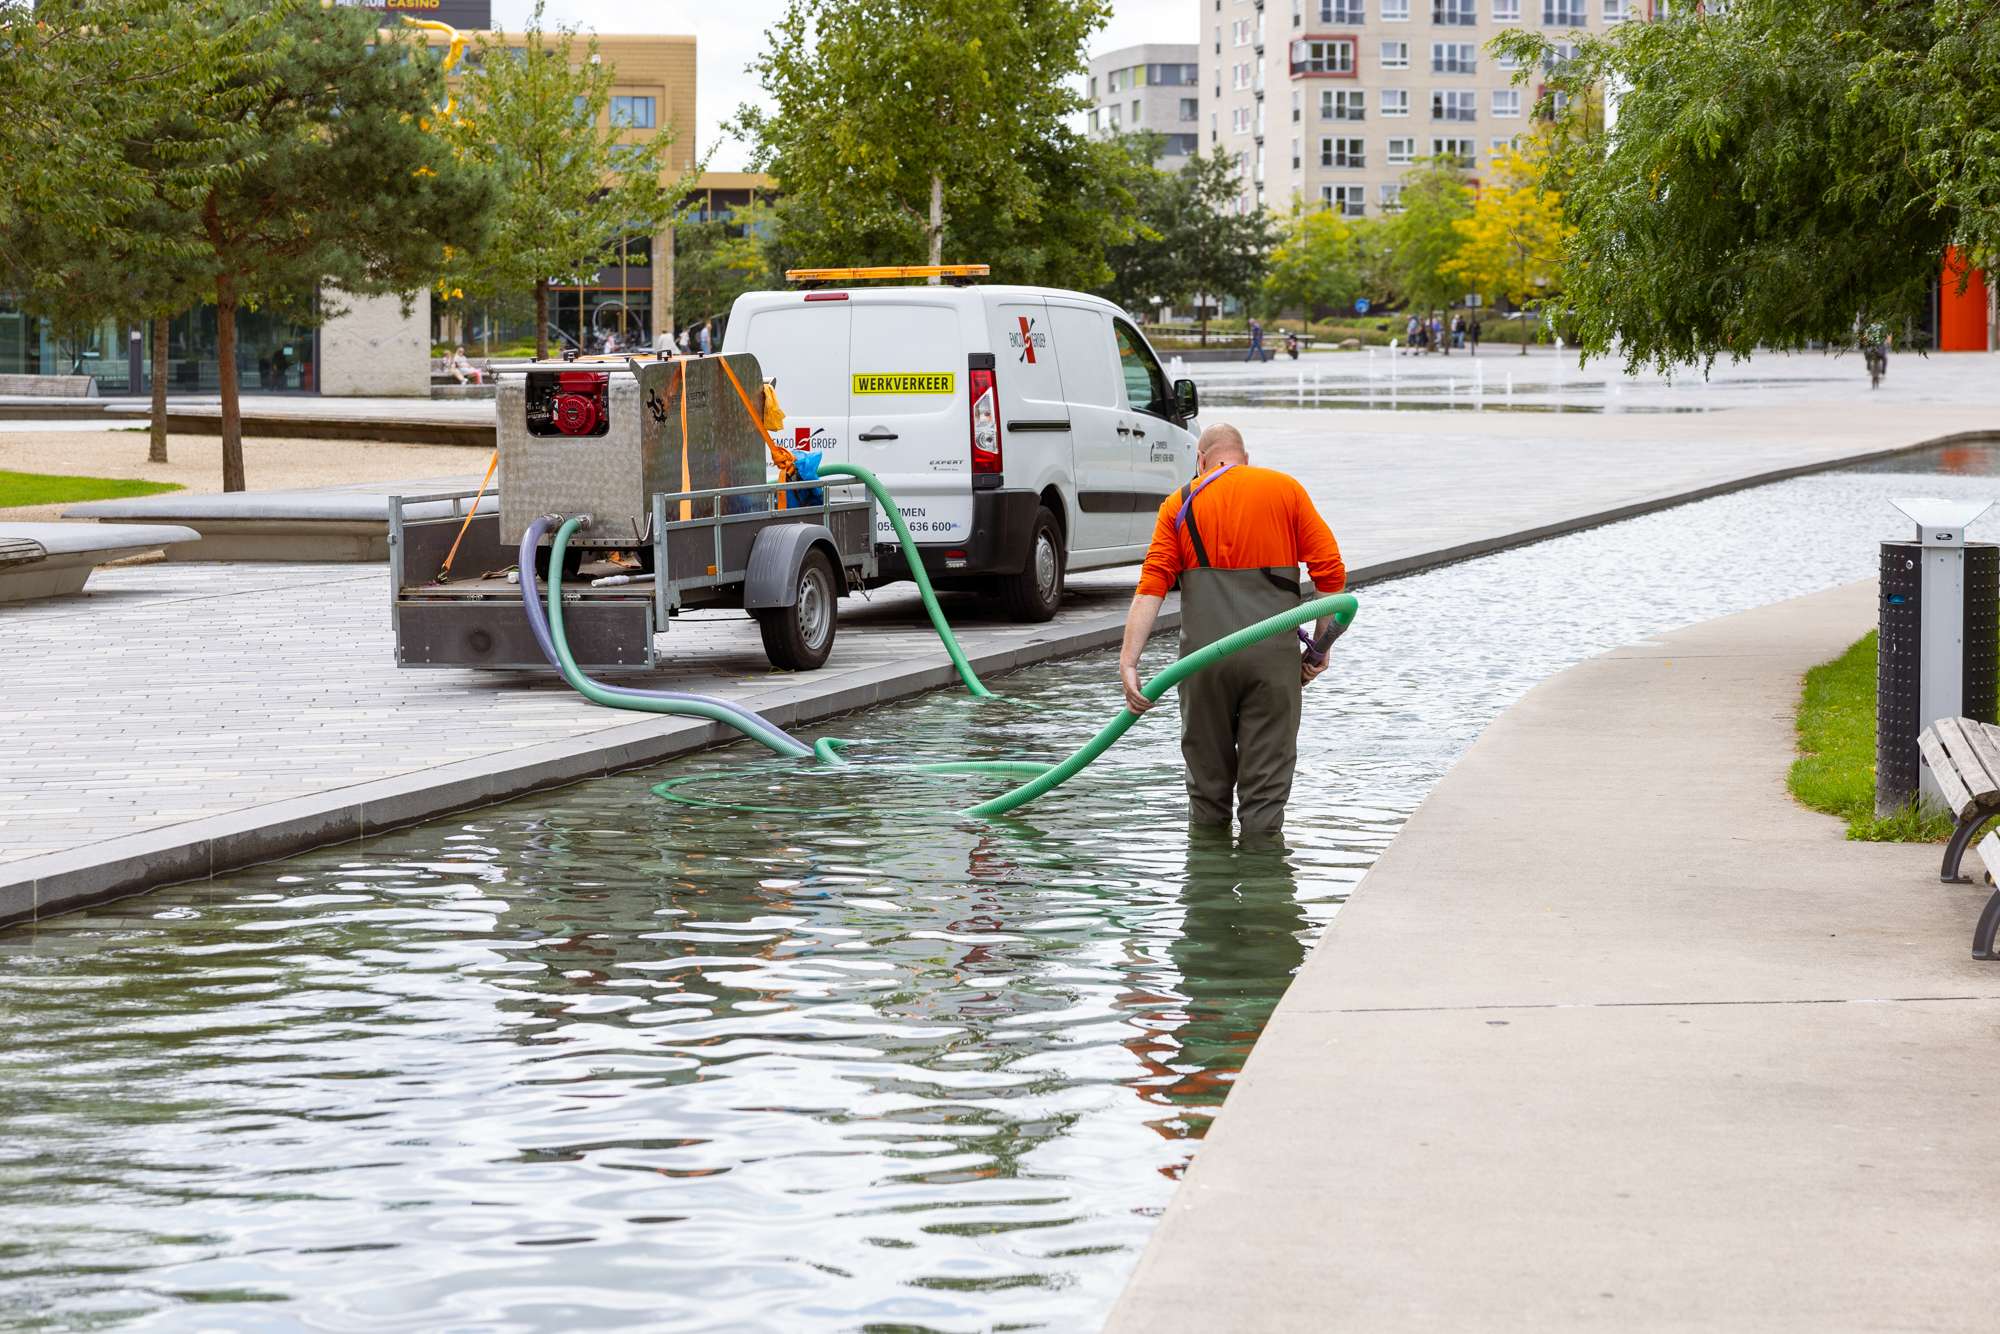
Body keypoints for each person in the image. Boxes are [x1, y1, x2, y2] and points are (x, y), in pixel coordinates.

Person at [1118, 422, 1346, 833]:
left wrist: (1129, 661)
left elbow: (1151, 584)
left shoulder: (1179, 503)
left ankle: (1208, 886)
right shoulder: (1284, 490)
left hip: (1202, 663)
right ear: (1246, 457)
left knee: (1207, 793)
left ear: (1200, 461)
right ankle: (1265, 884)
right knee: (1265, 796)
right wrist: (1319, 646)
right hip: (1272, 662)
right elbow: (1330, 575)